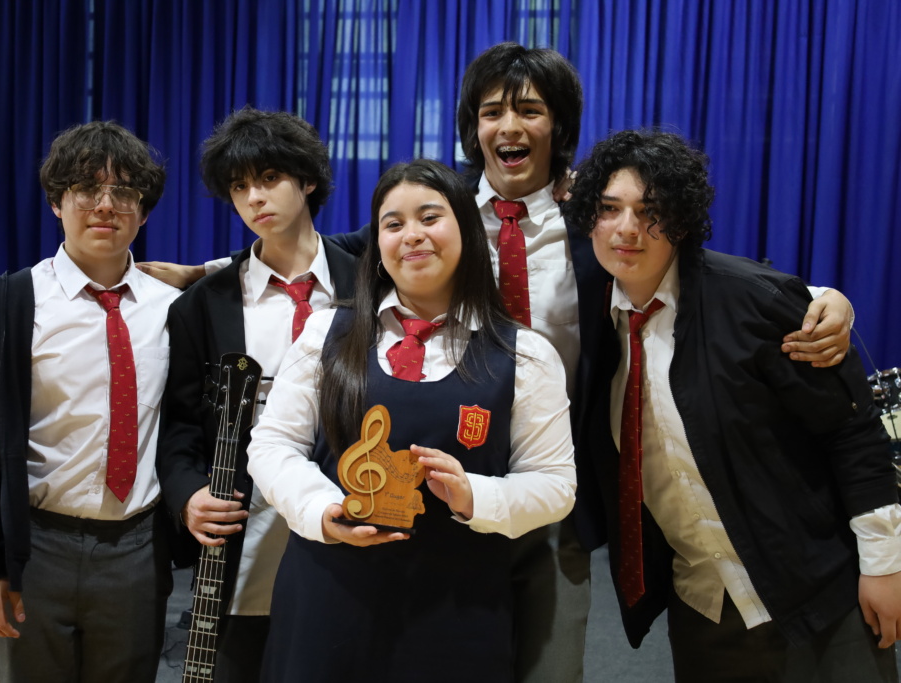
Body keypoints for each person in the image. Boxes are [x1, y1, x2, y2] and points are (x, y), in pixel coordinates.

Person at [138, 42, 856, 682]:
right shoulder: (435, 211)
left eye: (530, 110)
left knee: (541, 665)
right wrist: (209, 272)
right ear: (472, 128)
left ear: (558, 128)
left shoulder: (597, 228)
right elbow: (319, 253)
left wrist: (820, 297)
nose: (509, 126)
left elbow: (684, 268)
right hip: (422, 502)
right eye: (491, 112)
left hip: (554, 494)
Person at [564, 128, 901, 682]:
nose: (626, 228)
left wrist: (884, 567)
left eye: (650, 211)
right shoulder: (596, 326)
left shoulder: (752, 301)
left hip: (817, 593)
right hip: (705, 608)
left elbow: (851, 432)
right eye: (609, 209)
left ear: (681, 220)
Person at [244, 159, 576, 682]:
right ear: (377, 243)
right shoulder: (326, 333)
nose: (412, 235)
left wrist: (473, 495)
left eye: (430, 217)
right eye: (393, 224)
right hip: (327, 599)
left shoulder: (525, 355)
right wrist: (324, 509)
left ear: (467, 229)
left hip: (457, 610)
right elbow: (271, 445)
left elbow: (556, 485)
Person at [0, 121, 180, 682]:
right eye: (86, 189)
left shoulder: (174, 309)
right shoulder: (11, 302)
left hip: (136, 550)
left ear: (144, 212)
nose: (106, 205)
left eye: (124, 192)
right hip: (36, 548)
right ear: (56, 202)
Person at [156, 107, 357, 682]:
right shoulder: (203, 304)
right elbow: (179, 425)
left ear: (308, 179)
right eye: (239, 187)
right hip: (248, 530)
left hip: (354, 518)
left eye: (269, 178)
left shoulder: (370, 284)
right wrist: (187, 494)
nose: (254, 198)